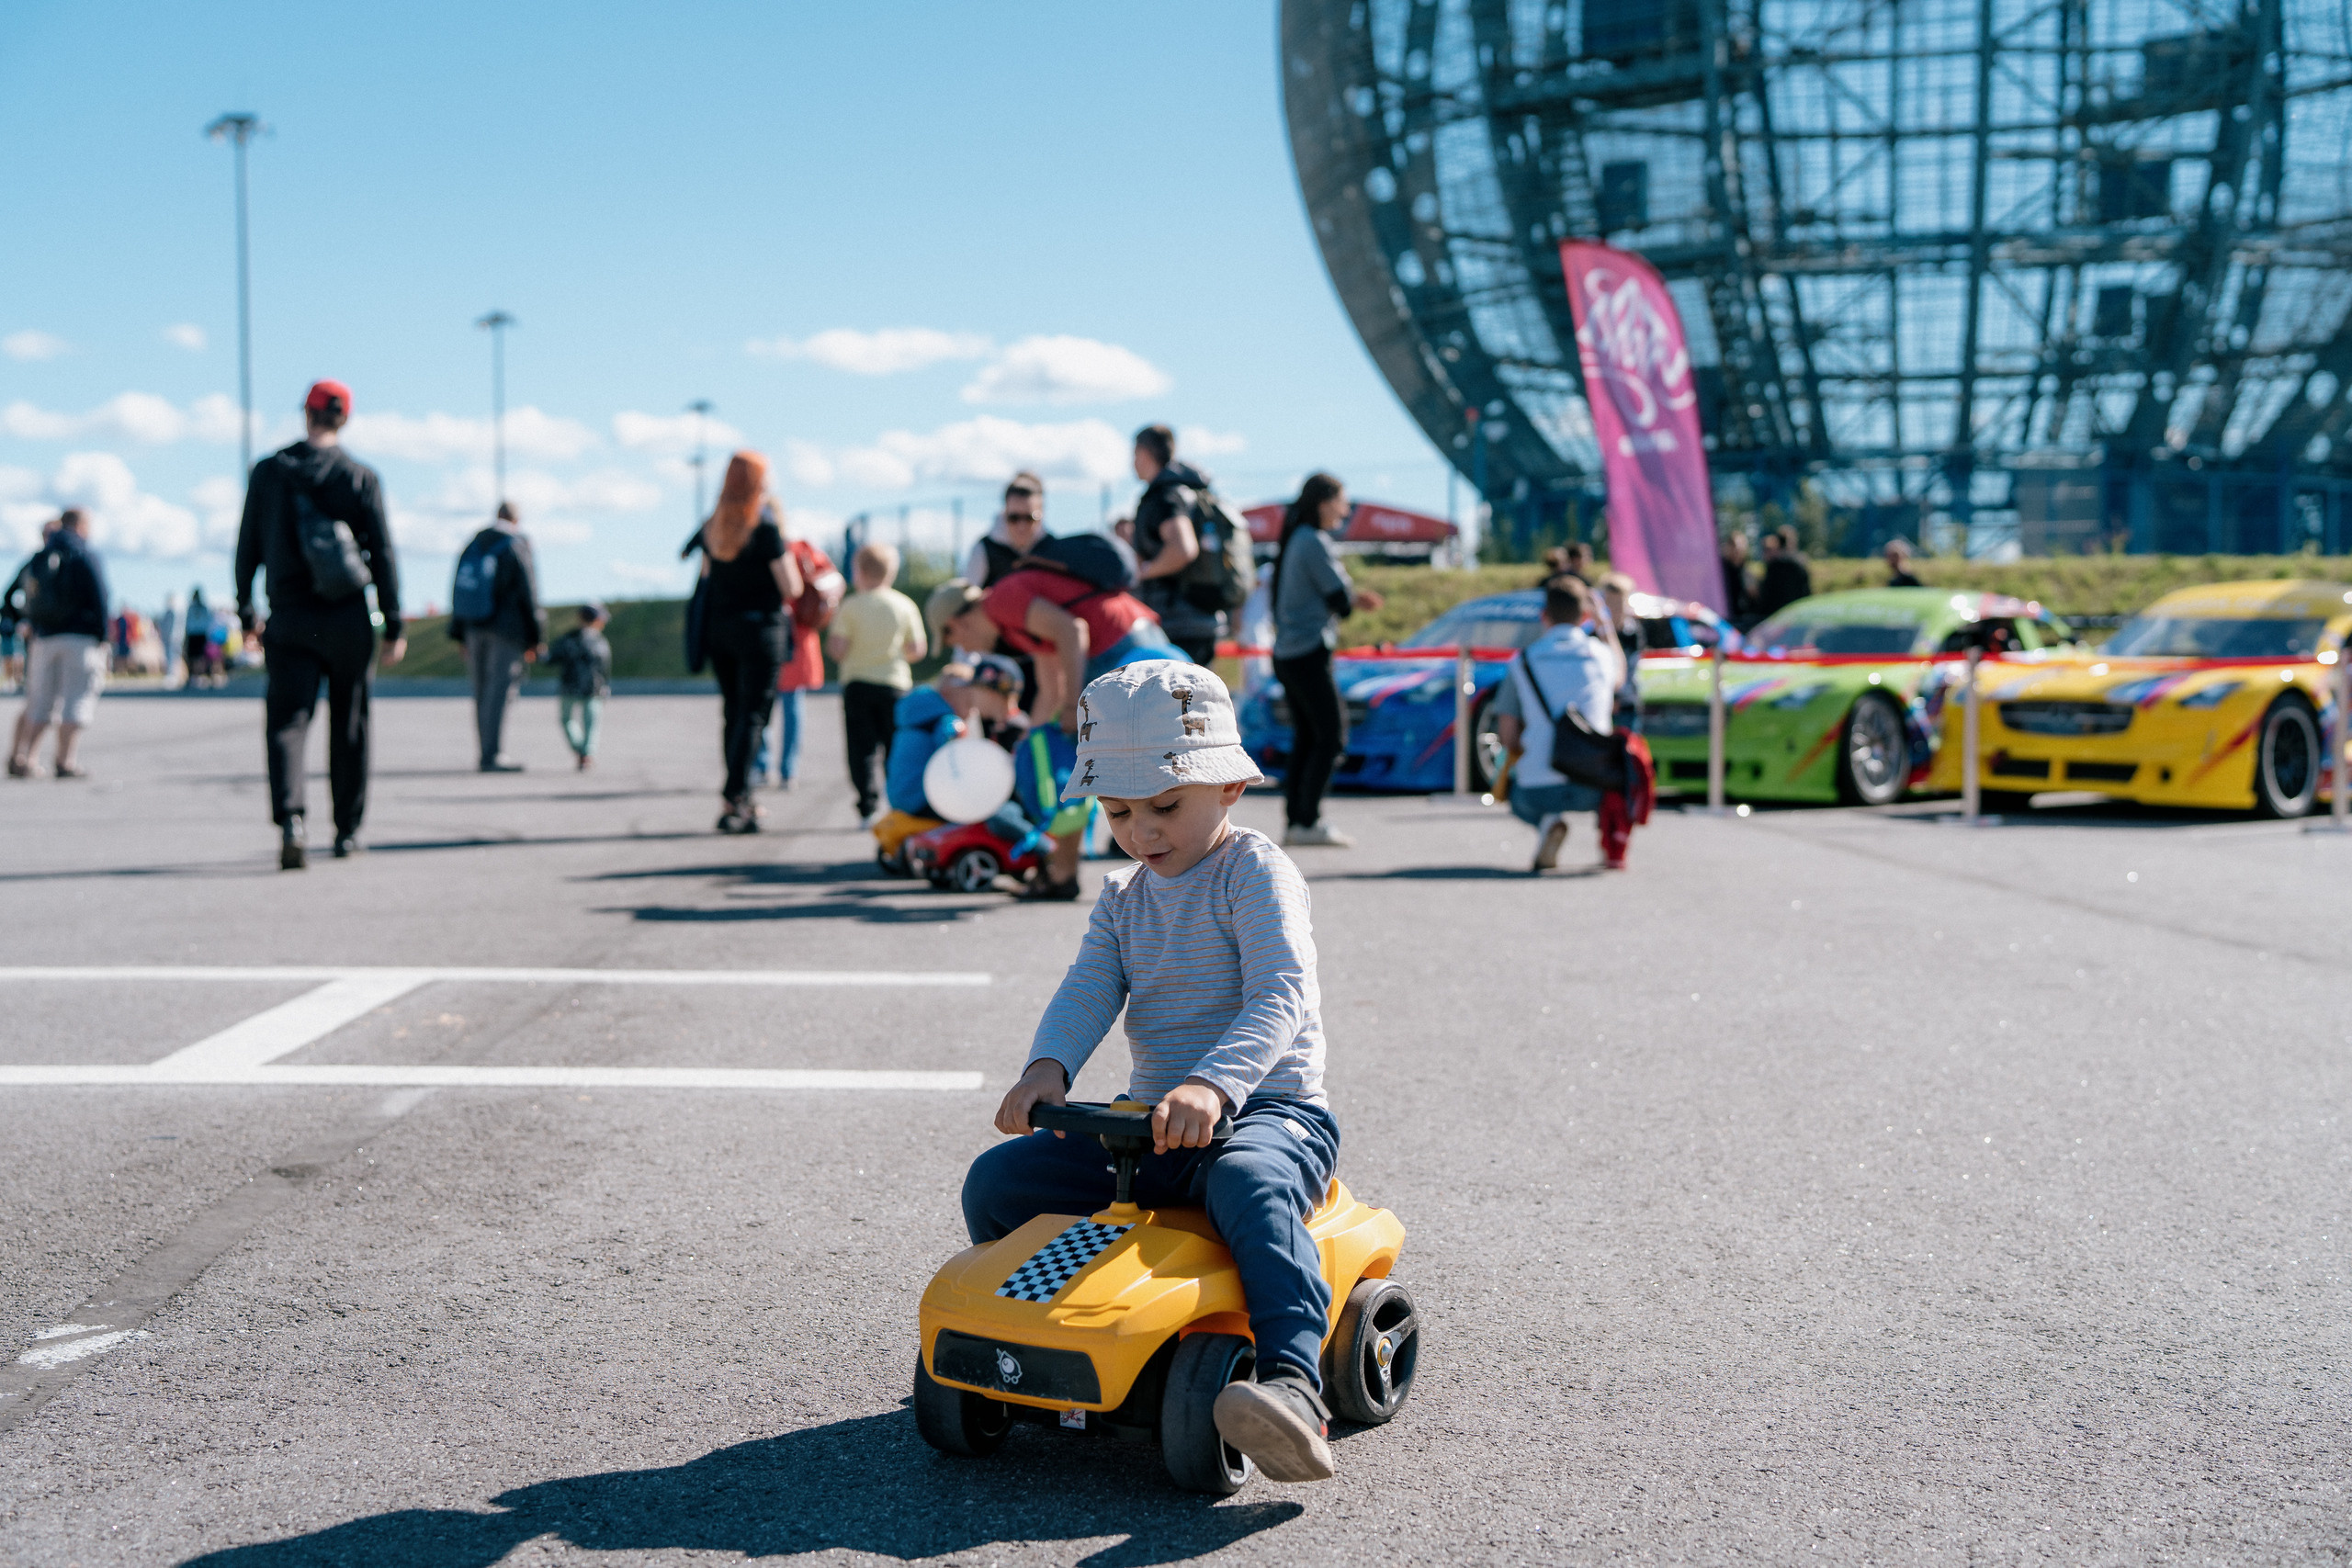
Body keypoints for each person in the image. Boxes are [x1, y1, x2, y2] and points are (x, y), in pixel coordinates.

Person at [966, 660, 1344, 1484]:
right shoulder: (1122, 895)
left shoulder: (1254, 872)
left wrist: (1214, 1083)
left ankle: (1290, 1384)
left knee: (1248, 1183)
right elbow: (1088, 988)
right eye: (1118, 810)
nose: (1142, 830)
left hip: (1267, 1111)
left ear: (1230, 788)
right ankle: (1031, 1339)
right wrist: (1047, 1066)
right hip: (1152, 1123)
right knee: (997, 1185)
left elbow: (1281, 993)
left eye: (1166, 806)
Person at [233, 380, 406, 867]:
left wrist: (247, 612)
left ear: (306, 414)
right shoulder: (359, 477)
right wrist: (393, 623)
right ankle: (346, 831)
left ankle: (292, 819)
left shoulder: (269, 473)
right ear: (343, 419)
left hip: (289, 616)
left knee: (288, 722)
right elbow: (384, 553)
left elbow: (247, 545)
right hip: (348, 615)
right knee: (350, 723)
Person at [933, 573, 1173, 901]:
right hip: (1122, 651)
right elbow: (1050, 685)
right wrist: (1034, 741)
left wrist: (1076, 710)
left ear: (957, 621)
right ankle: (1062, 874)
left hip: (1133, 652)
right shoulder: (1013, 625)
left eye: (952, 639)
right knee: (1062, 761)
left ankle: (1182, 883)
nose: (961, 648)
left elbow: (1074, 631)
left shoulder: (1002, 601)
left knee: (1147, 775)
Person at [686, 451, 802, 834]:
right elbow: (791, 586)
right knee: (754, 716)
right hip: (760, 632)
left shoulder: (713, 527)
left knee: (733, 713)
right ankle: (736, 795)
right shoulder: (765, 529)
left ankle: (739, 796)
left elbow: (706, 578)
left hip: (720, 631)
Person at [1490, 578, 1636, 872]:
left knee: (1517, 796)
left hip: (1537, 786)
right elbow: (1621, 677)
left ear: (1545, 615)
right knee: (1618, 778)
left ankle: (1548, 822)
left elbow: (1508, 734)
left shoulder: (1523, 661)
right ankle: (1609, 842)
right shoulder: (1601, 655)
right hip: (1596, 782)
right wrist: (1605, 626)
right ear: (1584, 616)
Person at [1269, 473, 1383, 849]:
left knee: (1307, 736)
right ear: (1323, 503)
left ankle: (1298, 821)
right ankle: (1309, 818)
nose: (1346, 510)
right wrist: (1352, 597)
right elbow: (1340, 600)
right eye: (1341, 502)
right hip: (1307, 653)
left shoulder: (1296, 539)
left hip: (1288, 653)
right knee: (1332, 735)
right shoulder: (1313, 541)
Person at [827, 542, 926, 828]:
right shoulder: (904, 604)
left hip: (858, 685)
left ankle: (867, 806)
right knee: (896, 746)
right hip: (895, 684)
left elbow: (838, 648)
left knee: (862, 749)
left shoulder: (851, 605)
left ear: (858, 572)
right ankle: (898, 803)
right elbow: (916, 649)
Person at [6, 509, 110, 780]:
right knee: (75, 700)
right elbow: (100, 596)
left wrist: (24, 621)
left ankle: (25, 758)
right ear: (80, 525)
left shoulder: (38, 558)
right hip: (79, 637)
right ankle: (65, 761)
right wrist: (102, 637)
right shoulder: (82, 554)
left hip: (43, 638)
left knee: (39, 702)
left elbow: (9, 596)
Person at [449, 502, 543, 772]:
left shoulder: (474, 543)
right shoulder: (515, 544)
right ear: (516, 519)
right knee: (499, 692)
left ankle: (485, 753)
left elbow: (460, 587)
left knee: (481, 692)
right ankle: (493, 755)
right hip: (506, 631)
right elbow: (529, 592)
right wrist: (535, 637)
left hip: (473, 629)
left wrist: (459, 634)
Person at [1129, 425, 1226, 667]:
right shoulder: (1189, 491)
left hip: (1179, 623)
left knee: (1179, 702)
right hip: (1201, 617)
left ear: (1144, 453)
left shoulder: (1164, 497)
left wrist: (1146, 571)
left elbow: (1184, 548)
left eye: (1134, 454)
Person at [544, 603, 611, 770]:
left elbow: (551, 658)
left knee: (568, 720)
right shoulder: (599, 641)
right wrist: (605, 685)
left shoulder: (569, 638)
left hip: (570, 686)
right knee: (591, 723)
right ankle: (586, 753)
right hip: (593, 687)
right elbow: (605, 666)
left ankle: (581, 751)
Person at [960, 472, 1049, 588]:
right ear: (1005, 512)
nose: (1021, 526)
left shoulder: (1052, 549)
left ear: (1041, 513)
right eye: (1014, 518)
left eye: (1029, 518)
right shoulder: (984, 549)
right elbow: (966, 597)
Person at [1596, 570, 1644, 733]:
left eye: (1619, 603)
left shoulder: (1633, 632)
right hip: (1603, 703)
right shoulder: (1595, 633)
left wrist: (1617, 697)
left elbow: (1629, 667)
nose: (1615, 609)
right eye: (1610, 603)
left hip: (1626, 705)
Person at [1755, 525, 1813, 620]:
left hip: (1777, 617)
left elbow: (1765, 598)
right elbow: (1806, 594)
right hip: (1795, 616)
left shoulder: (1773, 567)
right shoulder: (1799, 566)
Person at [1718, 532, 1756, 629]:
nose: (1738, 550)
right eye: (1734, 546)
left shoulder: (1747, 571)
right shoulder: (1721, 572)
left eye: (1741, 546)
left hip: (1745, 620)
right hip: (1726, 619)